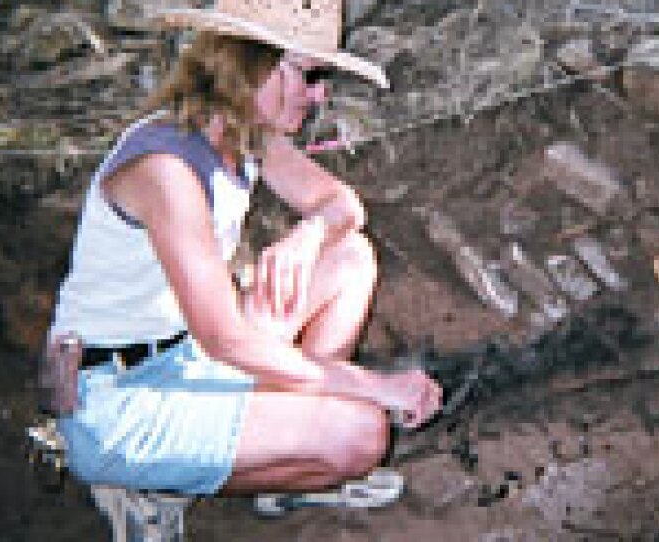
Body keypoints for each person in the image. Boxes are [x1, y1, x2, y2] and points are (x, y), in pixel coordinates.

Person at [44, 0, 442, 499]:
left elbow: (344, 208)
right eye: (310, 74)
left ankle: (287, 442)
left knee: (349, 258)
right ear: (254, 63)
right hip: (118, 399)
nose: (318, 95)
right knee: (362, 432)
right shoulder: (166, 170)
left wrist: (309, 236)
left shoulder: (244, 134)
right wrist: (371, 385)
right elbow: (226, 341)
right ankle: (172, 484)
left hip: (186, 355)